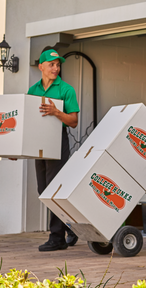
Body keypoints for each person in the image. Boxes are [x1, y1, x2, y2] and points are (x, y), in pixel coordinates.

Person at [28, 49, 80, 252]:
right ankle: (71, 226)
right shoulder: (32, 91)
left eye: (58, 64)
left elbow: (74, 121)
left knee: (53, 191)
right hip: (39, 143)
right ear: (41, 66)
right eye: (51, 64)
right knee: (43, 190)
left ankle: (57, 237)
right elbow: (28, 122)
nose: (56, 68)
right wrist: (18, 150)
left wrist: (57, 112)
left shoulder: (66, 90)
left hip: (58, 142)